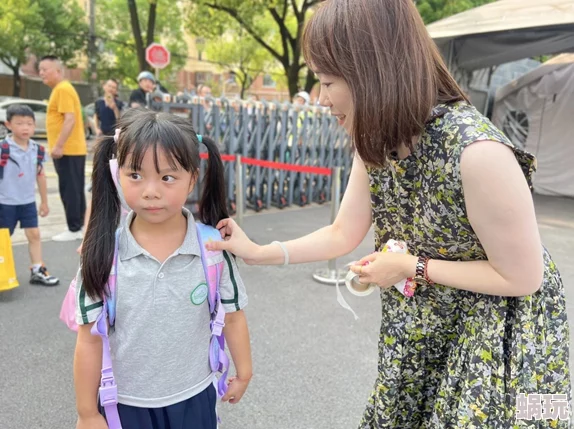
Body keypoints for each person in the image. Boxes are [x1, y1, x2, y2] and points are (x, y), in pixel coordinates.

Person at [204, 0, 571, 427]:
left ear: (372, 71)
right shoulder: (377, 137)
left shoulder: (478, 153)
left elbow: (523, 277)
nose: (322, 99)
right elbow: (343, 231)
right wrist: (260, 251)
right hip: (426, 327)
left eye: (327, 82)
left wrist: (410, 265)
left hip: (503, 338)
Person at [73, 108, 251, 429]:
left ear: (192, 178)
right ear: (117, 174)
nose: (151, 191)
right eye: (135, 175)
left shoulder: (213, 249)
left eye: (168, 177)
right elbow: (89, 339)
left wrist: (244, 370)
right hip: (125, 403)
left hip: (195, 395)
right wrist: (87, 413)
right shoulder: (102, 254)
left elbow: (233, 315)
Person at [0, 105, 59, 286]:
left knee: (34, 234)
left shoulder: (37, 150)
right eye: (19, 123)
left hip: (27, 202)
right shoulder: (3, 149)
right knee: (3, 238)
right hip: (5, 202)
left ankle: (37, 269)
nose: (25, 128)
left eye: (29, 124)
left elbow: (40, 176)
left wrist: (44, 202)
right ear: (8, 124)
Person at [39, 55, 87, 242]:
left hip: (68, 150)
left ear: (58, 71)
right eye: (40, 69)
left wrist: (58, 145)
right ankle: (80, 226)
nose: (41, 73)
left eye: (45, 69)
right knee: (74, 189)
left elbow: (70, 119)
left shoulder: (63, 89)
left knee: (69, 189)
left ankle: (74, 228)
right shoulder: (62, 89)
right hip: (72, 150)